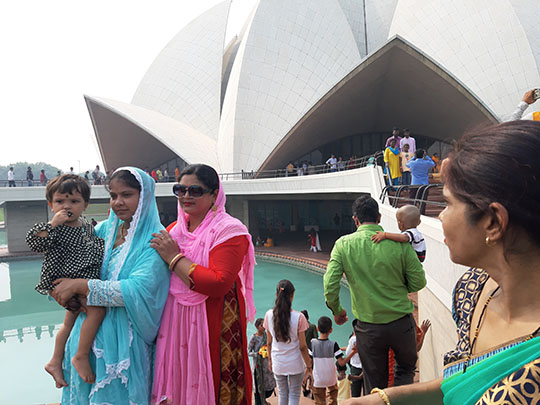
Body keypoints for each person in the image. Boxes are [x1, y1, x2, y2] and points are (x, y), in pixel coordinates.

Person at [343, 121, 540, 405]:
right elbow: (461, 381)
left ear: (493, 222)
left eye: (447, 203)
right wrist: (384, 399)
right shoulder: (472, 289)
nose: (441, 217)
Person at [49, 168, 170, 404]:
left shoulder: (155, 240)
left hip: (124, 342)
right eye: (113, 196)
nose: (118, 202)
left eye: (127, 195)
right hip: (85, 334)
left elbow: (136, 290)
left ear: (144, 196)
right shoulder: (103, 230)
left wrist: (81, 286)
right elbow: (74, 260)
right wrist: (59, 286)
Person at [150, 163, 256, 405]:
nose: (186, 196)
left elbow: (218, 283)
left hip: (215, 322)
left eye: (195, 191)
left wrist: (175, 259)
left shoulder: (229, 230)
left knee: (218, 384)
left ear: (214, 195)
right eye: (180, 190)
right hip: (175, 325)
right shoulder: (174, 231)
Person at [323, 196, 426, 394]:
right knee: (405, 371)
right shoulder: (400, 243)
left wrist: (337, 310)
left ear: (355, 220)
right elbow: (419, 282)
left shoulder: (343, 245)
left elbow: (330, 284)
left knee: (374, 383)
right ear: (379, 217)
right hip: (402, 324)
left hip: (369, 328)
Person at [26, 174, 105, 386]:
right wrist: (52, 224)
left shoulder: (87, 226)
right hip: (62, 280)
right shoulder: (54, 229)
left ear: (85, 205)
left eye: (74, 201)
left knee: (67, 324)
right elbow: (34, 244)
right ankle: (80, 355)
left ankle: (54, 361)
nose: (66, 206)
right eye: (60, 201)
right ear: (51, 205)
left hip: (80, 280)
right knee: (97, 311)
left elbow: (95, 248)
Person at [265, 280, 312, 405]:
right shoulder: (299, 317)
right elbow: (303, 346)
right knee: (294, 395)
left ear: (277, 294)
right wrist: (309, 365)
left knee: (282, 394)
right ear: (292, 295)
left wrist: (270, 360)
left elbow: (269, 342)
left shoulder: (269, 315)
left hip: (278, 361)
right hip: (295, 363)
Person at [309, 316, 357, 405]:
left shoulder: (313, 343)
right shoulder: (333, 344)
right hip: (331, 378)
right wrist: (353, 352)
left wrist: (307, 374)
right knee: (333, 401)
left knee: (319, 402)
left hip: (318, 378)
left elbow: (309, 361)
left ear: (317, 329)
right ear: (331, 330)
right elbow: (342, 362)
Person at [249, 318, 276, 405]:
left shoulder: (267, 335)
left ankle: (264, 400)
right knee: (259, 387)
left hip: (267, 365)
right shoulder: (253, 338)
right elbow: (248, 351)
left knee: (269, 386)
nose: (263, 327)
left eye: (264, 325)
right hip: (258, 367)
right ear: (257, 327)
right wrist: (258, 354)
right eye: (261, 325)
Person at [345, 332, 363, 397]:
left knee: (355, 393)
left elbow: (348, 353)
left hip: (356, 368)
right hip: (367, 368)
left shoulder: (353, 339)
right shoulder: (368, 336)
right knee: (368, 393)